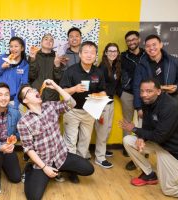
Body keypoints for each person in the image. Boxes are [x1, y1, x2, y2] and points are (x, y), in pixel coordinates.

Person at [17, 79, 94, 200]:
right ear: (25, 100)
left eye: (34, 89)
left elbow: (71, 103)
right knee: (33, 197)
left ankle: (61, 169)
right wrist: (44, 168)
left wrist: (56, 86)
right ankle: (29, 169)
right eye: (29, 91)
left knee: (89, 169)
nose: (35, 90)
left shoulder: (50, 106)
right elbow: (29, 149)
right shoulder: (24, 122)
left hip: (61, 156)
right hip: (43, 162)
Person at [120, 78, 178, 198]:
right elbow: (147, 124)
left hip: (174, 153)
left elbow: (159, 137)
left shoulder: (170, 106)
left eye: (149, 91)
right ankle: (149, 175)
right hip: (161, 145)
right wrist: (141, 137)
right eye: (142, 91)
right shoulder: (148, 101)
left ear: (159, 91)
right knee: (128, 141)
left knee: (169, 190)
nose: (144, 95)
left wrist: (135, 130)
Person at [60, 41, 105, 182]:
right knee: (70, 141)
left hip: (90, 111)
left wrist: (99, 96)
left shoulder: (98, 72)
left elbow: (103, 90)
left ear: (95, 55)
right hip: (72, 110)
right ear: (80, 54)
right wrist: (74, 89)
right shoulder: (71, 70)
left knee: (85, 141)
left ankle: (78, 167)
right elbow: (62, 91)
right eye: (85, 52)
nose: (89, 55)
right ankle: (70, 170)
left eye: (92, 52)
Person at [133, 34, 178, 116]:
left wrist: (177, 88)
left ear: (161, 45)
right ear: (145, 48)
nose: (151, 48)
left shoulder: (174, 61)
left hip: (170, 103)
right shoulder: (141, 65)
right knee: (148, 128)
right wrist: (139, 107)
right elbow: (136, 86)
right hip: (148, 105)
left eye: (154, 44)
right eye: (148, 46)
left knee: (171, 128)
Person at [121, 30, 145, 170]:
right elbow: (117, 72)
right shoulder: (123, 56)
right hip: (128, 92)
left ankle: (143, 146)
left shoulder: (146, 55)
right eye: (128, 40)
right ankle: (127, 146)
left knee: (143, 121)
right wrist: (121, 91)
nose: (131, 42)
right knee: (127, 120)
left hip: (144, 93)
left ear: (139, 40)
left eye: (133, 39)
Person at [94, 43, 121, 169]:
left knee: (107, 128)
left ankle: (102, 150)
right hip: (101, 103)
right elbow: (99, 87)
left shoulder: (115, 66)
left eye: (115, 51)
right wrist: (98, 110)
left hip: (110, 102)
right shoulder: (102, 67)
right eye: (110, 51)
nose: (112, 53)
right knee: (102, 131)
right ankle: (99, 157)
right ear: (105, 52)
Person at [0, 36, 29, 109]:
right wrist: (2, 67)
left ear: (22, 48)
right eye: (11, 46)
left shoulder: (25, 65)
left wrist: (16, 103)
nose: (13, 49)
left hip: (12, 100)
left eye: (16, 46)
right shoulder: (3, 58)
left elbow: (23, 85)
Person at [29, 33, 66, 101]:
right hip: (36, 95)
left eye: (51, 40)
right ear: (41, 42)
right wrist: (33, 60)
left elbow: (59, 79)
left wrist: (57, 65)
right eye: (46, 39)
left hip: (52, 96)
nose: (49, 41)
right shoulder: (34, 55)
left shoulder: (58, 57)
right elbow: (31, 76)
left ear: (53, 44)